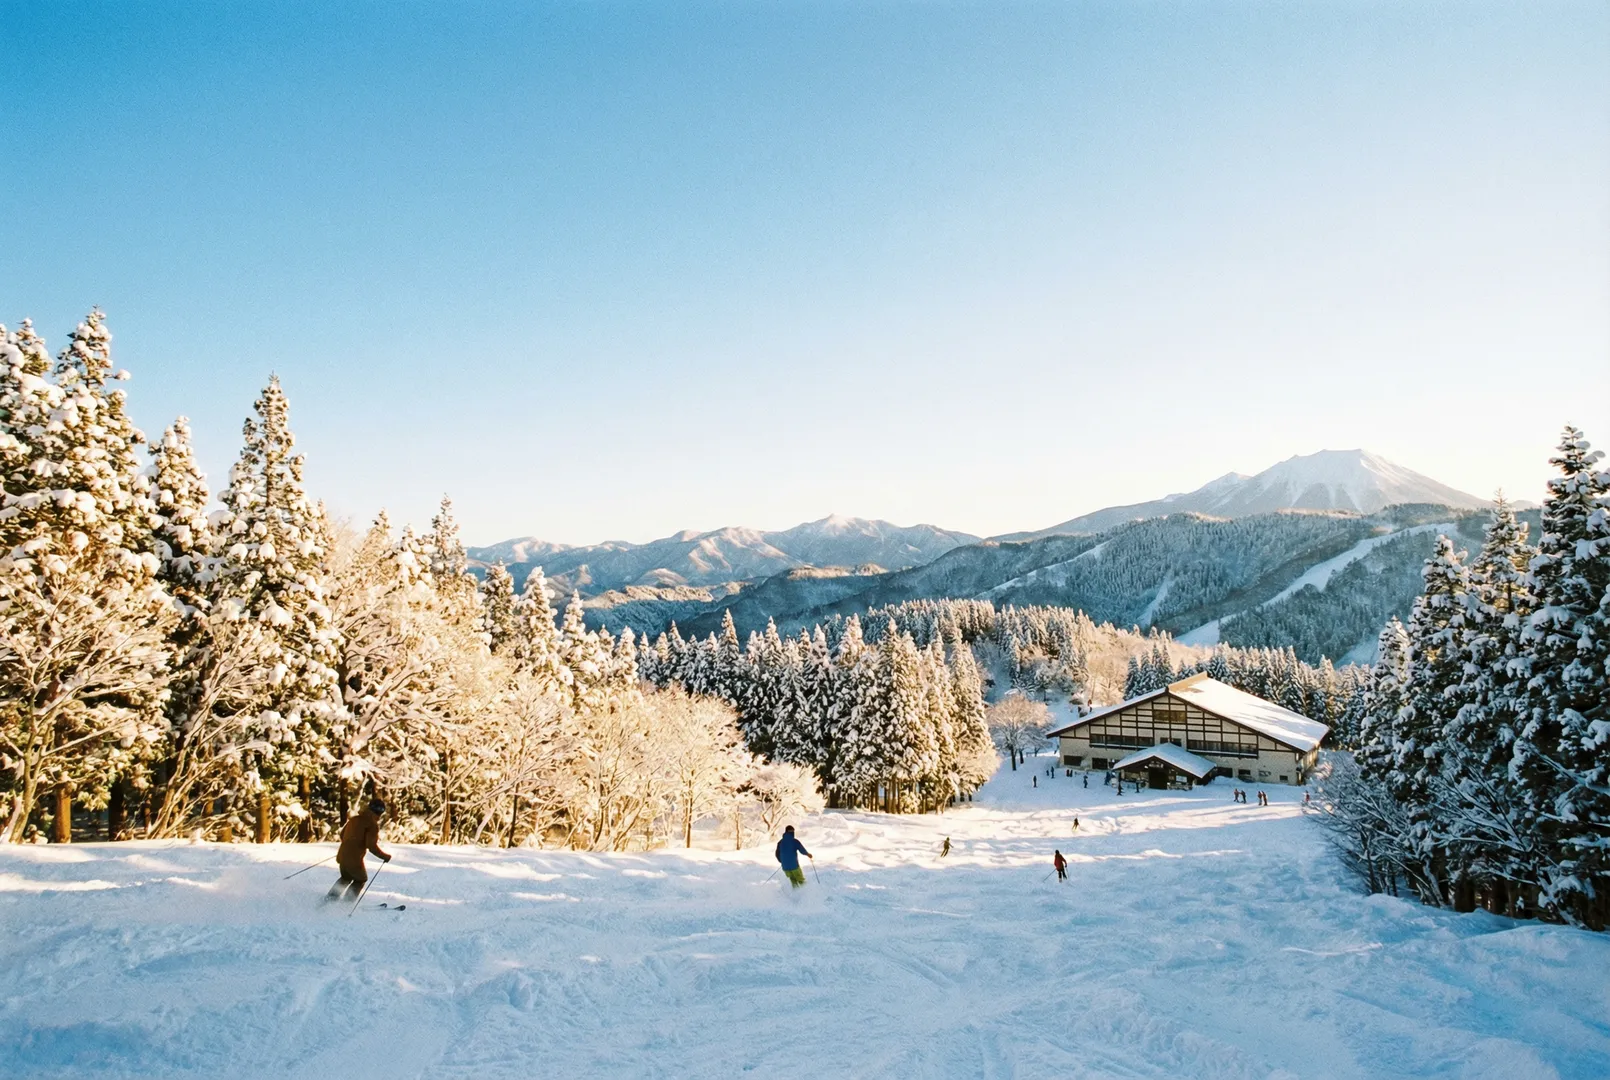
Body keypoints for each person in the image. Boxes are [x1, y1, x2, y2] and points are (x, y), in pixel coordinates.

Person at [328, 797, 391, 902]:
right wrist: (385, 856)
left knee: (346, 878)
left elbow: (342, 835)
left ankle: (328, 901)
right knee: (361, 879)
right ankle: (346, 904)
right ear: (380, 812)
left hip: (342, 854)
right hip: (354, 859)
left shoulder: (355, 819)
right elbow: (371, 846)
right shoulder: (372, 825)